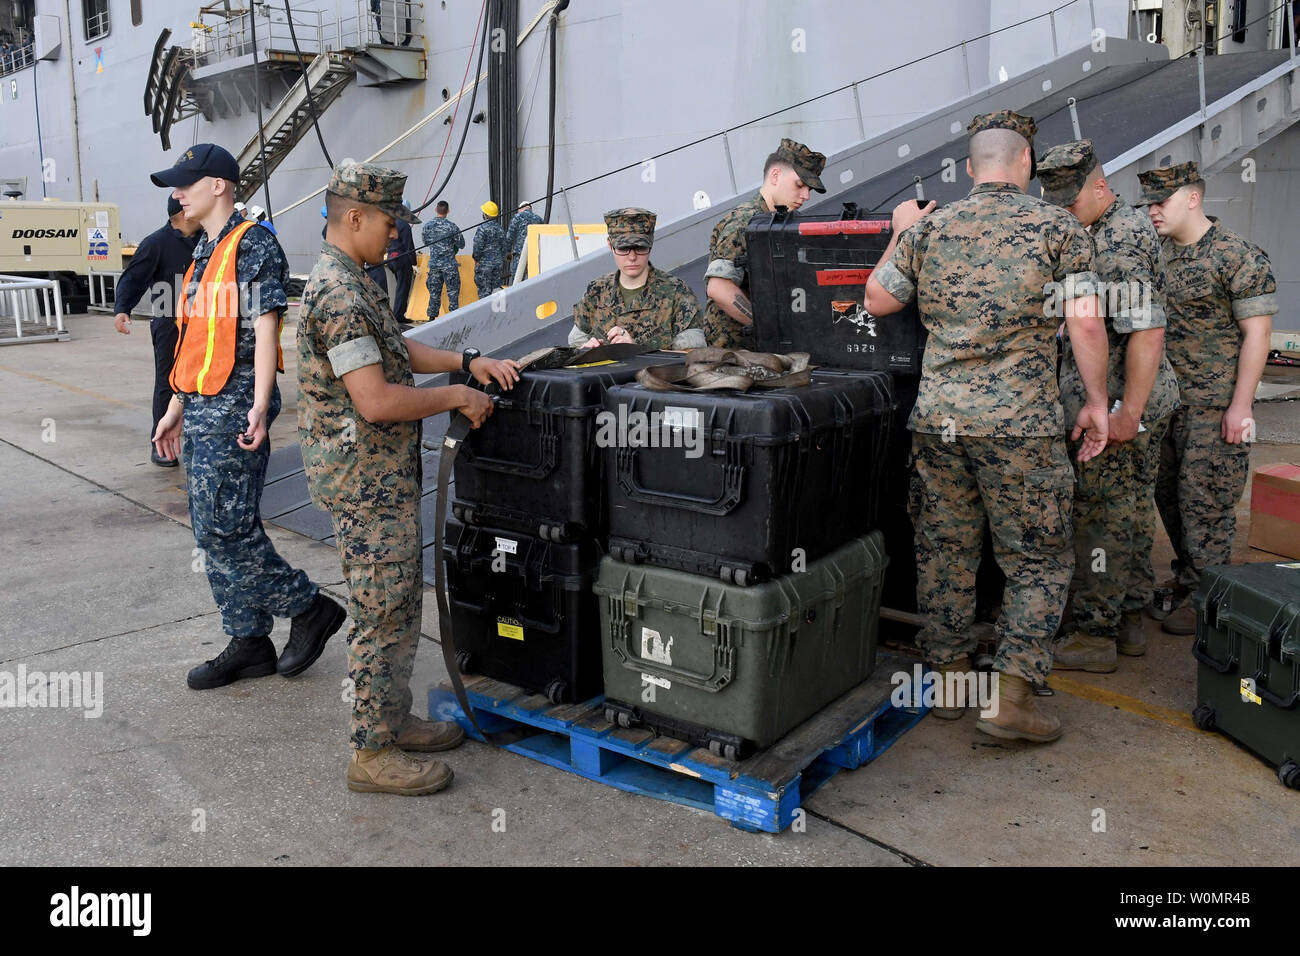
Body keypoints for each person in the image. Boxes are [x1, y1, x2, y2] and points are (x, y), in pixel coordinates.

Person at [863, 110, 1109, 743]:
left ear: (970, 169)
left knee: (945, 550)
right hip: (1020, 424)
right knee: (1037, 560)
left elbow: (877, 300)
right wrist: (1097, 402)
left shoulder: (932, 227)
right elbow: (1084, 323)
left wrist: (900, 232)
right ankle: (1012, 698)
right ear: (1025, 164)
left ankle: (948, 683)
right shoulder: (1058, 227)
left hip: (939, 420)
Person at [296, 159, 520, 796]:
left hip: (377, 477)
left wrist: (465, 361)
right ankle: (371, 753)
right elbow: (376, 399)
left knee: (396, 601)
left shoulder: (354, 278)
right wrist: (455, 396)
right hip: (362, 481)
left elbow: (393, 347)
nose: (396, 234)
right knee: (382, 609)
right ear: (356, 217)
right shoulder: (339, 293)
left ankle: (391, 721)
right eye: (389, 221)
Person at [149, 143, 346, 690]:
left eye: (185, 182)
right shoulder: (203, 251)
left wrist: (260, 404)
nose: (176, 193)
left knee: (224, 527)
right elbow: (193, 343)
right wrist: (175, 408)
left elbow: (266, 328)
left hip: (236, 403)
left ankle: (308, 607)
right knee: (215, 528)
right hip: (202, 403)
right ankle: (249, 638)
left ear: (219, 185)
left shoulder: (253, 244)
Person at [1036, 140, 1181, 671]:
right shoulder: (1097, 227)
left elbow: (1147, 333)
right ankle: (1129, 620)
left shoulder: (1120, 242)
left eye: (1070, 203)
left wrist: (1126, 413)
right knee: (1130, 513)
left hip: (1123, 402)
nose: (1063, 212)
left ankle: (1095, 635)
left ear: (1100, 187)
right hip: (1121, 401)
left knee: (1101, 517)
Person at [1140, 161, 1277, 635]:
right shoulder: (1155, 255)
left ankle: (1211, 598)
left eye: (1162, 203)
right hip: (1163, 405)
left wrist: (1241, 406)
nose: (1153, 212)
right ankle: (1189, 577)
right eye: (1149, 204)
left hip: (1213, 405)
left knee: (1207, 504)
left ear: (1192, 199)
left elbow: (1257, 335)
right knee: (1169, 498)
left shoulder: (1237, 255)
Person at [703, 137, 826, 349]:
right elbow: (719, 287)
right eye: (800, 185)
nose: (806, 195)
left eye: (810, 189)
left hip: (771, 350)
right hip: (736, 354)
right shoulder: (744, 222)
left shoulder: (784, 224)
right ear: (775, 176)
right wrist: (769, 327)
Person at [112, 196, 201, 466]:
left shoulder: (208, 238)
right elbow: (133, 277)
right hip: (169, 324)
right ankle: (161, 444)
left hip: (204, 323)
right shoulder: (156, 243)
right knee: (168, 382)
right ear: (182, 214)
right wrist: (122, 308)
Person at [567, 207, 704, 349]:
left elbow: (692, 356)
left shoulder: (677, 293)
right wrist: (586, 350)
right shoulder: (596, 291)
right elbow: (576, 342)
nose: (632, 257)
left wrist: (637, 350)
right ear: (610, 245)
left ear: (651, 244)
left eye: (640, 247)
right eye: (623, 248)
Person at [422, 200, 463, 319]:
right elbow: (461, 244)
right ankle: (453, 317)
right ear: (448, 211)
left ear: (436, 210)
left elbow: (426, 242)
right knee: (453, 292)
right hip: (449, 265)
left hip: (434, 265)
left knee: (434, 293)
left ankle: (431, 318)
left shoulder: (427, 226)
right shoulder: (452, 227)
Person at [472, 200, 507, 298]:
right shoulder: (500, 229)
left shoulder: (482, 228)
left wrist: (477, 259)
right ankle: (497, 312)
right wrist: (500, 259)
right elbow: (504, 247)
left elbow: (477, 246)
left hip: (484, 265)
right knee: (496, 291)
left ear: (486, 215)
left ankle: (486, 313)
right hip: (498, 264)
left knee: (484, 292)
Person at [504, 201, 544, 283]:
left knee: (517, 279)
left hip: (519, 254)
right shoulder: (539, 219)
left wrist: (507, 251)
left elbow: (510, 236)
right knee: (533, 280)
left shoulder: (517, 217)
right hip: (534, 255)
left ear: (520, 209)